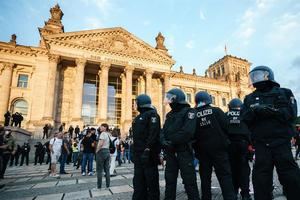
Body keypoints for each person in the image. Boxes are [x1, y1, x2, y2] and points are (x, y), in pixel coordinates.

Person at [243, 65, 300, 200]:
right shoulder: (249, 98)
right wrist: (254, 111)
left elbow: (291, 114)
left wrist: (273, 111)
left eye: (258, 75)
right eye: (253, 76)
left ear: (268, 75)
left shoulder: (284, 92)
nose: (255, 79)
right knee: (260, 180)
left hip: (281, 143)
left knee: (291, 177)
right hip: (261, 145)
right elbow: (244, 118)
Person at [193, 91, 236, 200]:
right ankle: (230, 197)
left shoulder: (193, 114)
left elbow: (191, 134)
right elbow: (227, 126)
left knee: (205, 178)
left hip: (202, 151)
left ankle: (206, 198)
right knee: (225, 176)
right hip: (219, 150)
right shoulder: (216, 111)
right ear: (209, 100)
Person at [160, 88, 200, 200]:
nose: (168, 101)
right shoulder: (169, 115)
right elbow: (163, 130)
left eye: (170, 98)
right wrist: (163, 141)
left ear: (176, 98)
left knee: (189, 181)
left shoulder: (190, 112)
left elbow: (187, 132)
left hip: (184, 152)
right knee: (169, 180)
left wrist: (172, 141)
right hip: (171, 153)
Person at [131, 94, 161, 200]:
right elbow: (136, 138)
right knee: (138, 180)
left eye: (135, 102)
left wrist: (148, 149)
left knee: (151, 180)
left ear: (141, 102)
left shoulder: (152, 115)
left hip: (149, 155)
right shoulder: (137, 118)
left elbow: (153, 134)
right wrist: (133, 152)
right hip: (138, 155)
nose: (134, 104)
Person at [226, 98, 252, 200]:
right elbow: (251, 130)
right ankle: (245, 194)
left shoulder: (225, 115)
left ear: (229, 106)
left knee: (232, 170)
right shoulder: (245, 115)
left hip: (229, 146)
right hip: (244, 145)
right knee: (244, 170)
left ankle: (234, 192)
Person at [96, 123, 111, 189]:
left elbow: (101, 144)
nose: (100, 128)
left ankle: (99, 186)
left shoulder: (103, 134)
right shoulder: (108, 134)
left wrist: (96, 151)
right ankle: (108, 185)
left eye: (101, 127)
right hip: (107, 151)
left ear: (105, 127)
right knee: (107, 170)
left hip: (102, 151)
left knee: (99, 170)